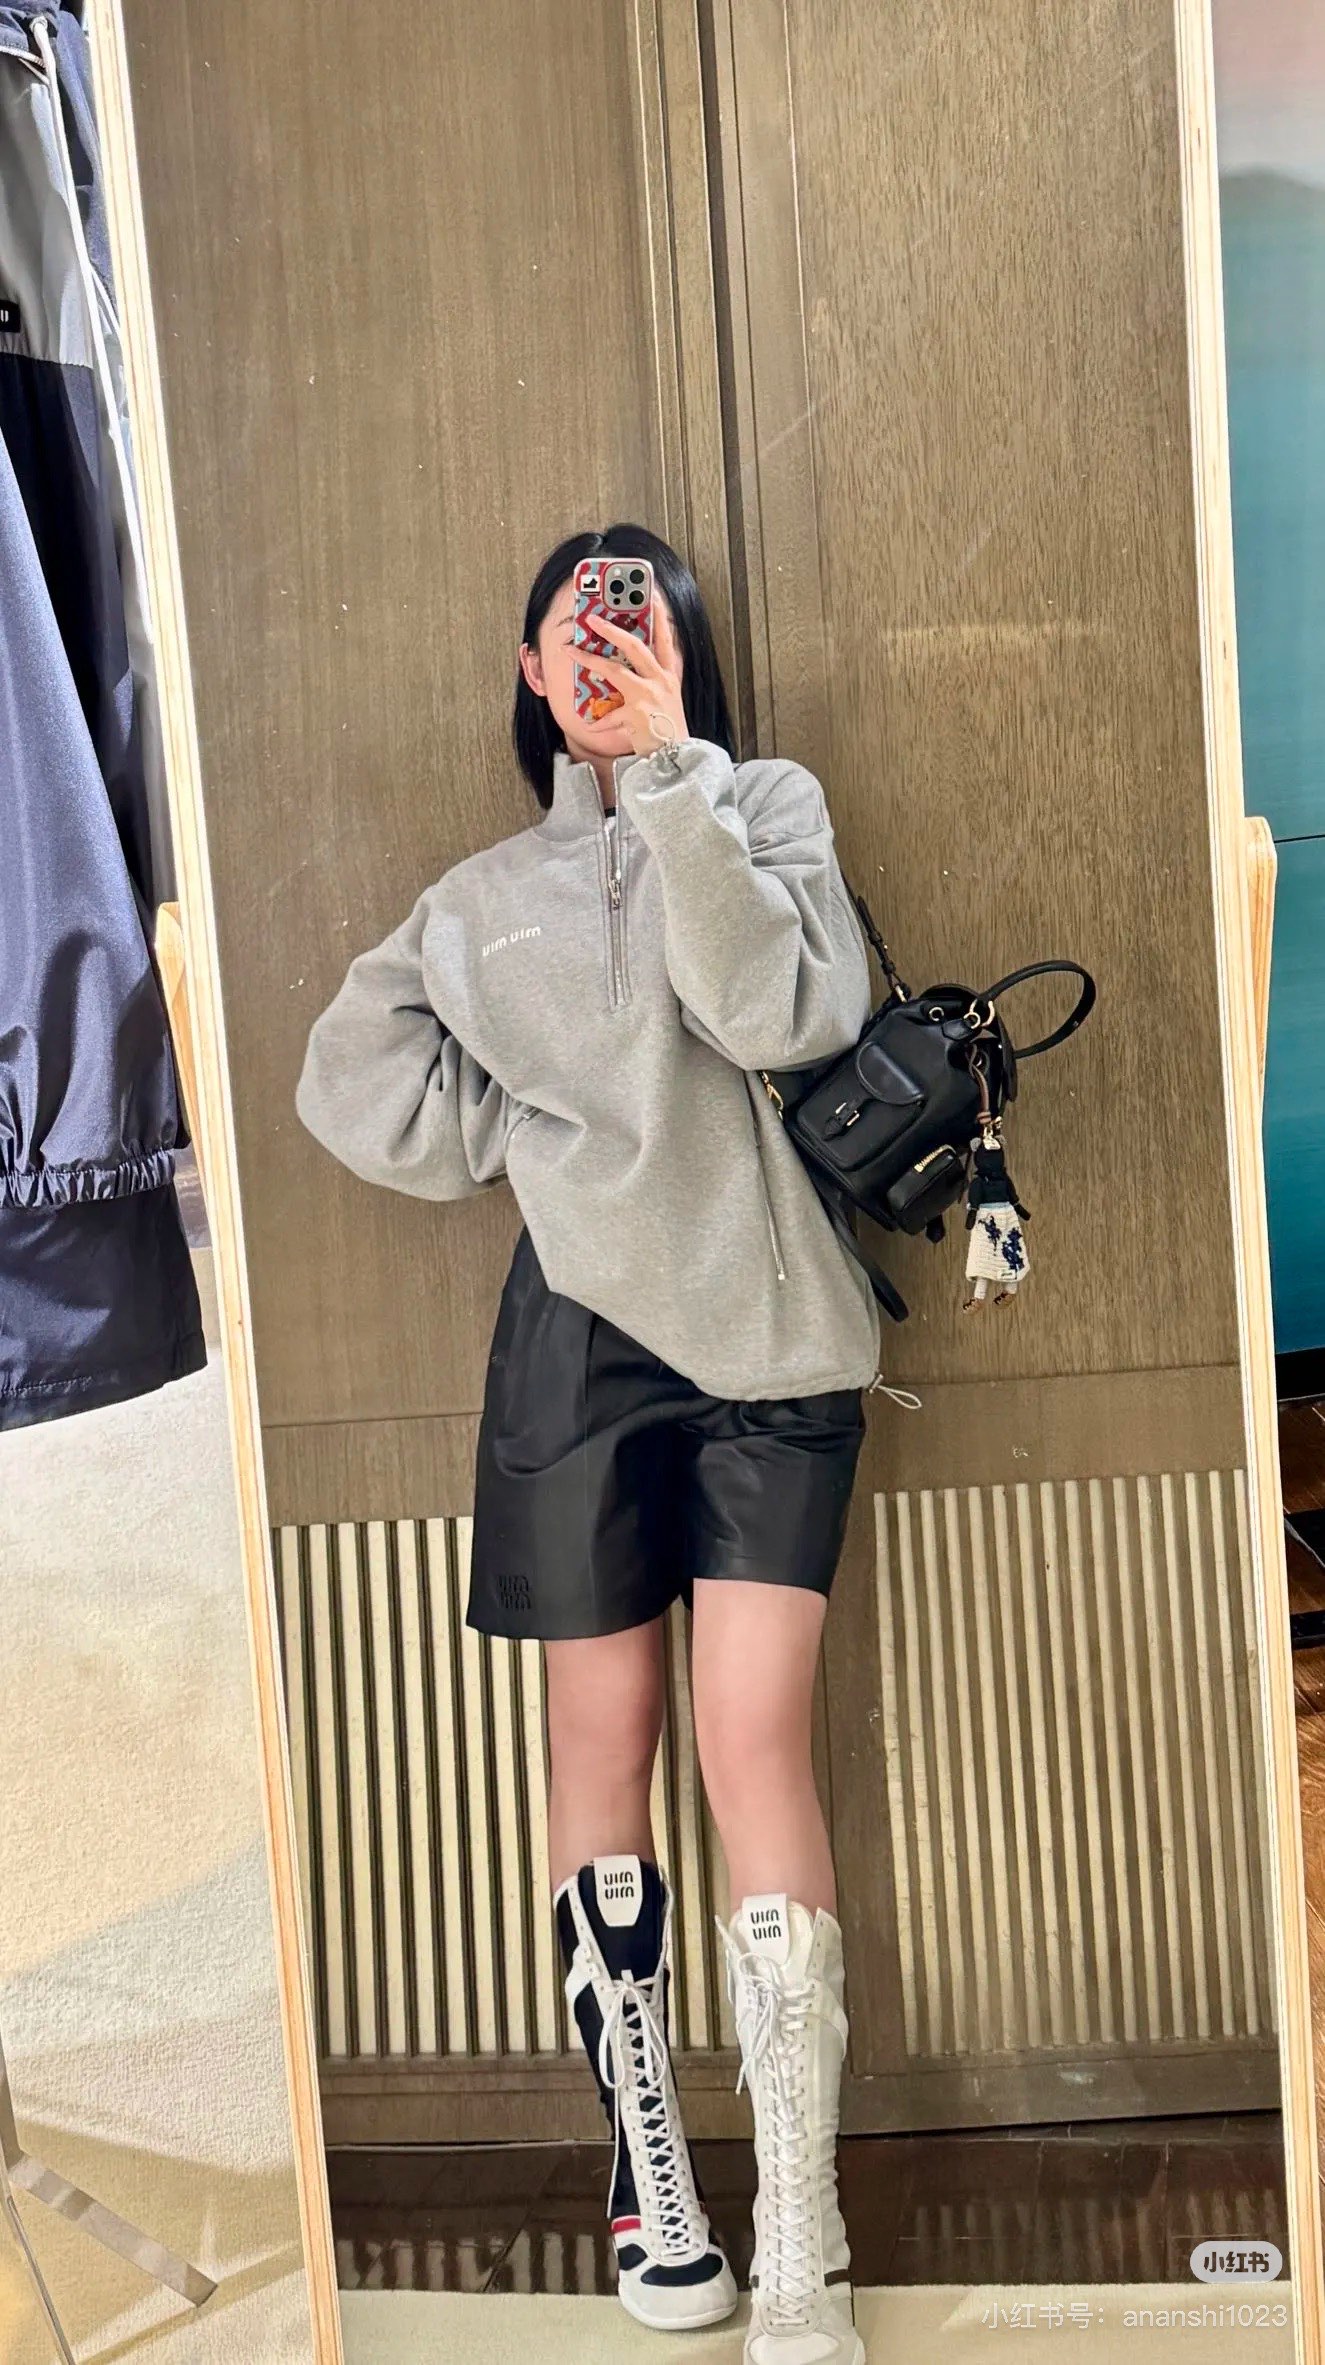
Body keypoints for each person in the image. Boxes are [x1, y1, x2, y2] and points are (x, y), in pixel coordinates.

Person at [296, 523, 884, 2365]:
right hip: (574, 1347)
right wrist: (516, 1122)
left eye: (639, 614)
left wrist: (669, 775)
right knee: (598, 1749)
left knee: (750, 1739)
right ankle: (656, 2183)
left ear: (683, 651)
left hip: (771, 1336)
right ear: (531, 669)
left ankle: (800, 2232)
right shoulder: (475, 900)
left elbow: (783, 1009)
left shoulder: (761, 806)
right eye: (577, 618)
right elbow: (350, 1081)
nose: (605, 636)